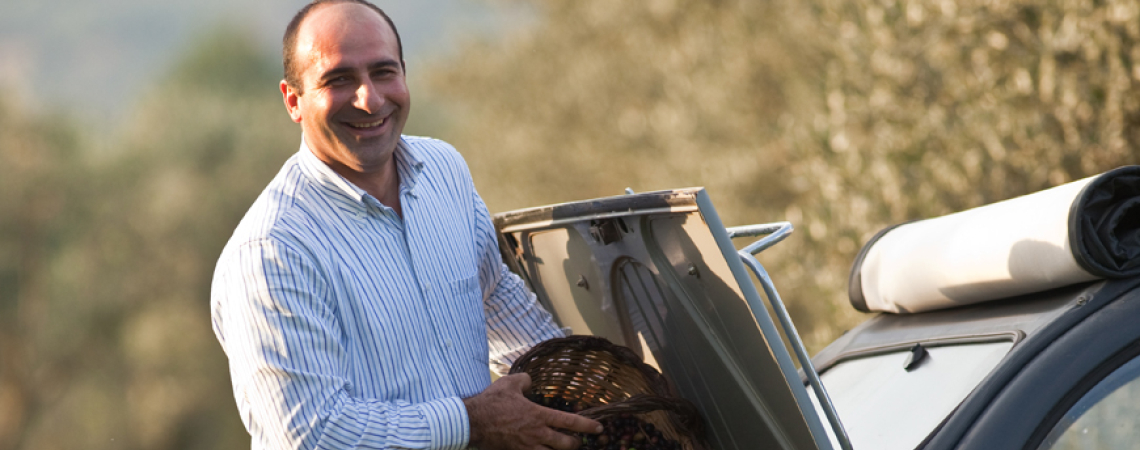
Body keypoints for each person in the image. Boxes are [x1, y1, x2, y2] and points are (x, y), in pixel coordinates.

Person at [209, 1, 602, 448]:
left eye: (383, 72)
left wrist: (586, 393)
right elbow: (310, 434)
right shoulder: (271, 251)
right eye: (339, 79)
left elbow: (497, 299)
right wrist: (473, 423)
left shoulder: (443, 170)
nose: (370, 99)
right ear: (294, 100)